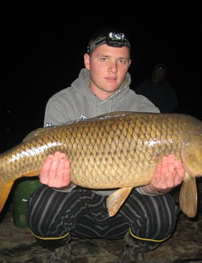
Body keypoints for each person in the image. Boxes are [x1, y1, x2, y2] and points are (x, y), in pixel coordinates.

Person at [25, 28, 185, 262]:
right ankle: (59, 246)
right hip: (78, 194)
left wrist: (157, 188)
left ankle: (133, 247)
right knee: (41, 209)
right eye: (104, 59)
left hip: (128, 197)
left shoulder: (146, 109)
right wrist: (60, 183)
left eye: (121, 61)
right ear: (87, 61)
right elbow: (53, 169)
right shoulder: (62, 102)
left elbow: (147, 185)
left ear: (129, 64)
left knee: (163, 214)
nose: (113, 68)